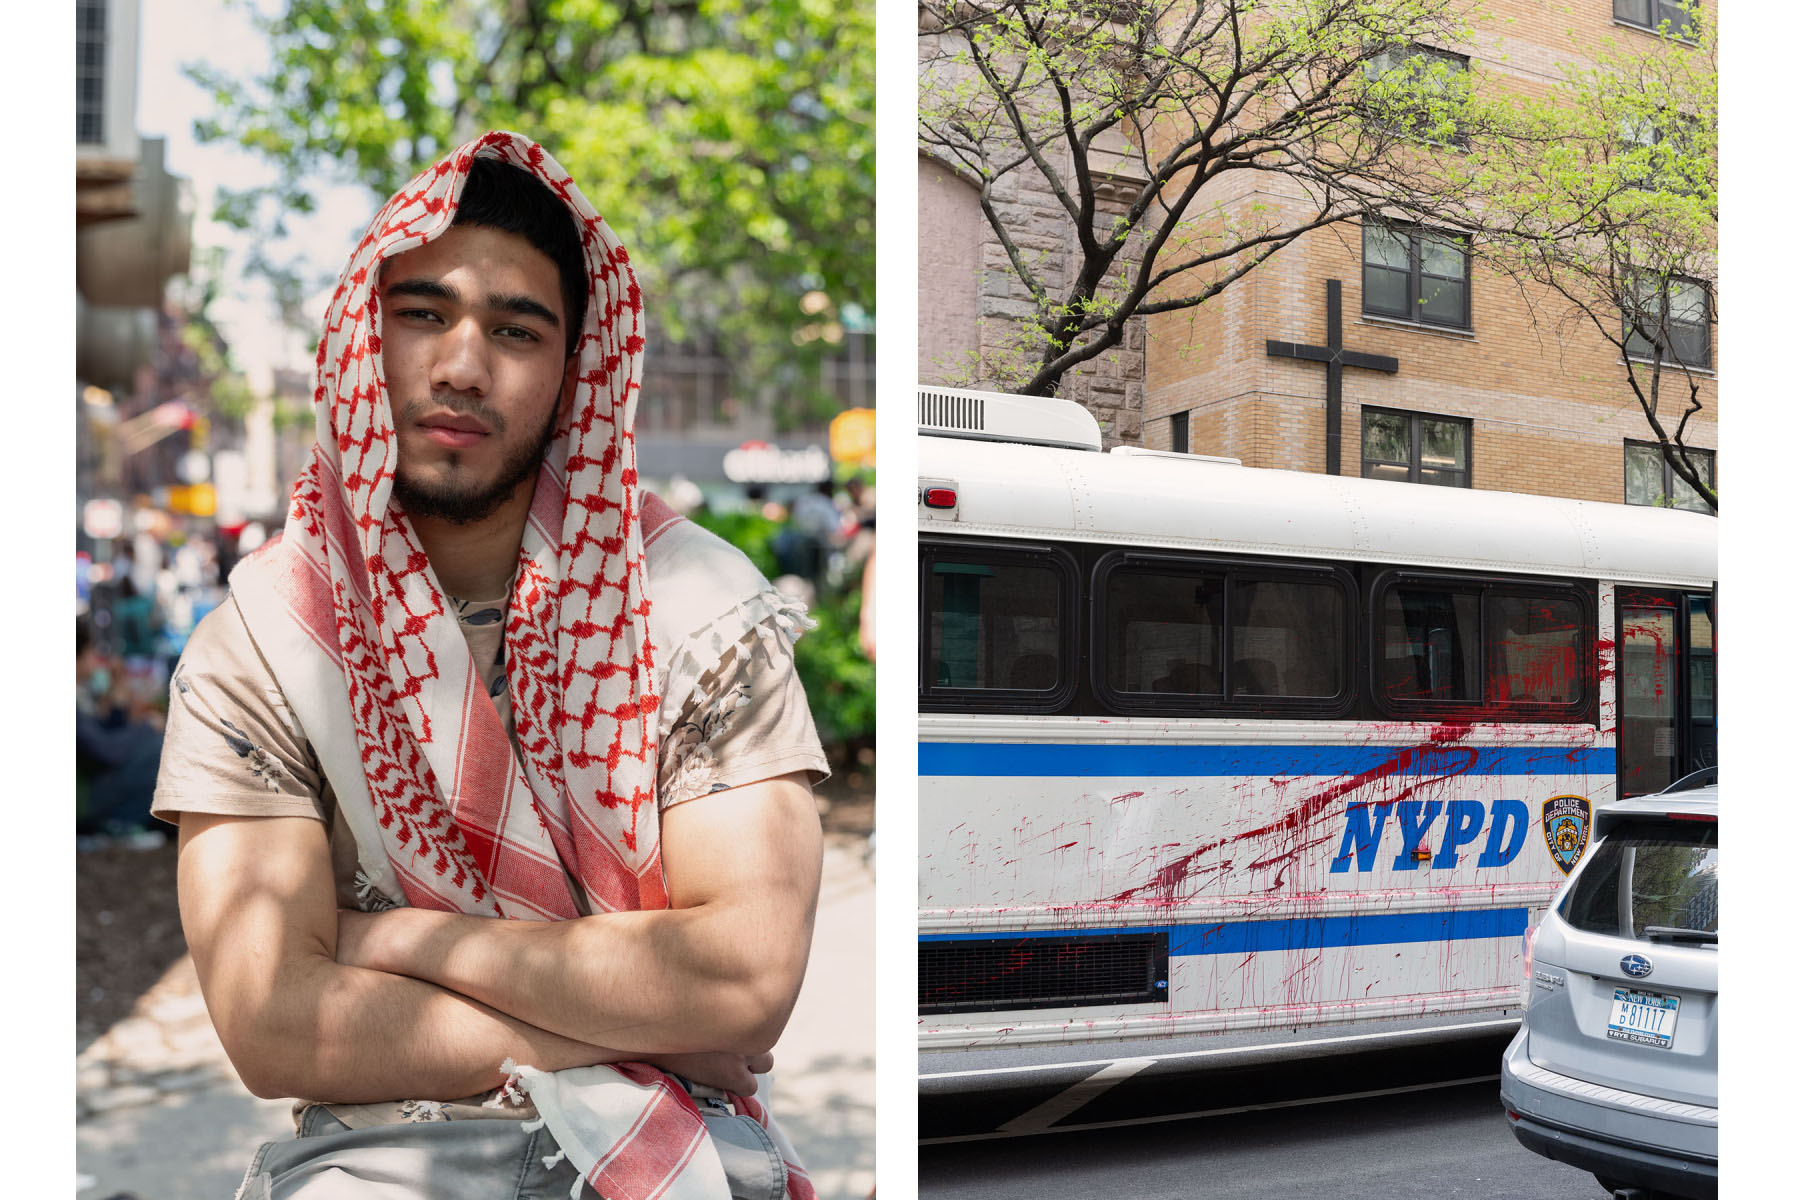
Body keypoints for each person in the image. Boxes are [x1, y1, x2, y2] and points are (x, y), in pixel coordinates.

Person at [152, 132, 829, 1200]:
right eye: (422, 313)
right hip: (374, 1161)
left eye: (516, 330)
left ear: (574, 376)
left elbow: (743, 976)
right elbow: (275, 1026)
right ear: (357, 341)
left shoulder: (696, 607)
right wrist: (629, 1028)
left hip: (683, 1150)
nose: (462, 364)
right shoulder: (262, 645)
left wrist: (391, 940)